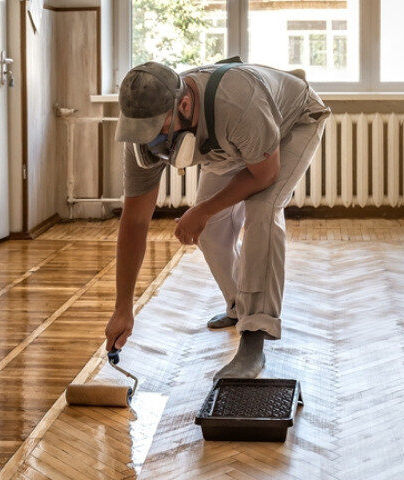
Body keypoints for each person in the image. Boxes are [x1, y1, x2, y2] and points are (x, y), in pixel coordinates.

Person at [104, 59, 330, 378]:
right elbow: (135, 222)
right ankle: (239, 307)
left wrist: (202, 209)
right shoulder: (140, 136)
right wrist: (122, 307)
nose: (152, 144)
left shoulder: (237, 101)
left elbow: (265, 175)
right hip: (231, 142)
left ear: (184, 104)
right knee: (209, 230)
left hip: (291, 122)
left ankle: (254, 340)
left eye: (159, 131)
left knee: (263, 210)